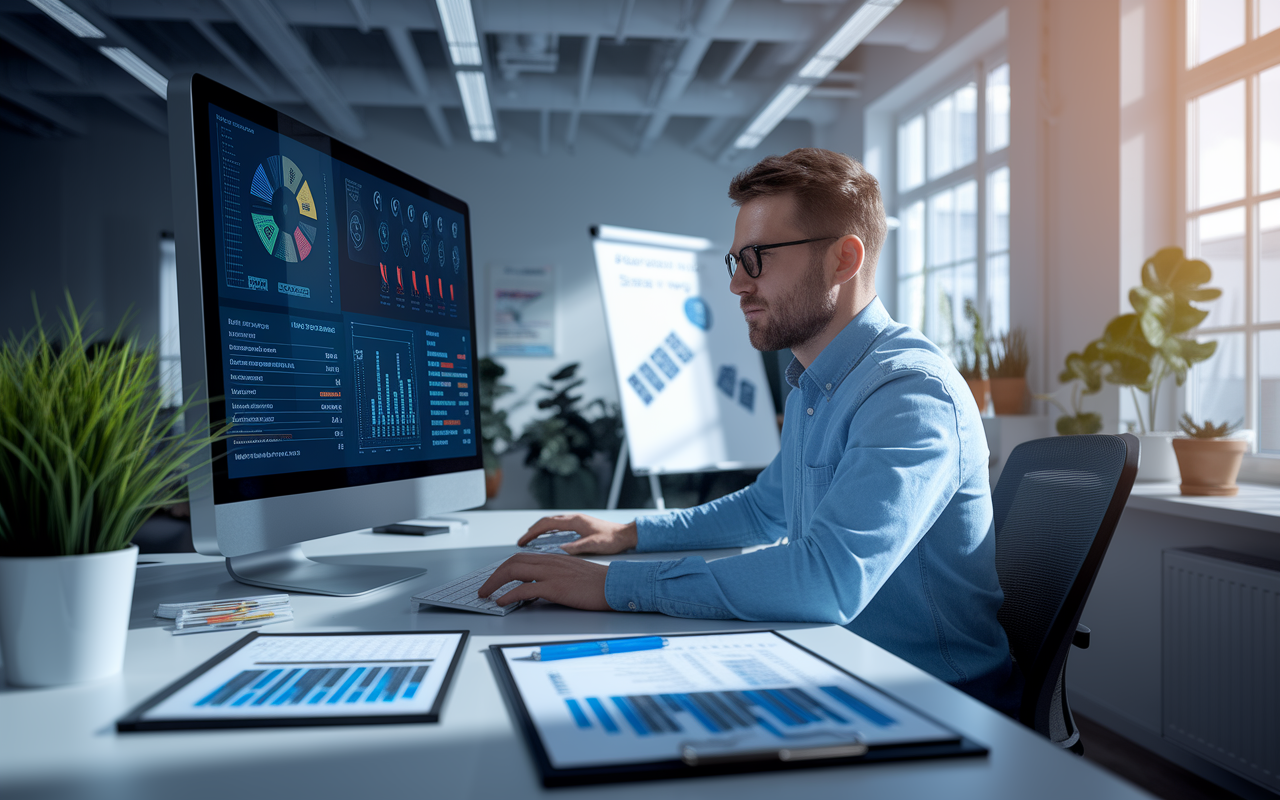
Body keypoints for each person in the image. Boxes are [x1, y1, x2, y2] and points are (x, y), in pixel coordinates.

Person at [478, 148, 1015, 710]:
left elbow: (826, 579)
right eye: (735, 262)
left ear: (843, 259)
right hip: (840, 665)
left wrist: (615, 585)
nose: (738, 285)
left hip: (934, 700)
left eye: (756, 258)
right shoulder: (818, 382)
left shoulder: (909, 393)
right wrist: (629, 535)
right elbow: (764, 510)